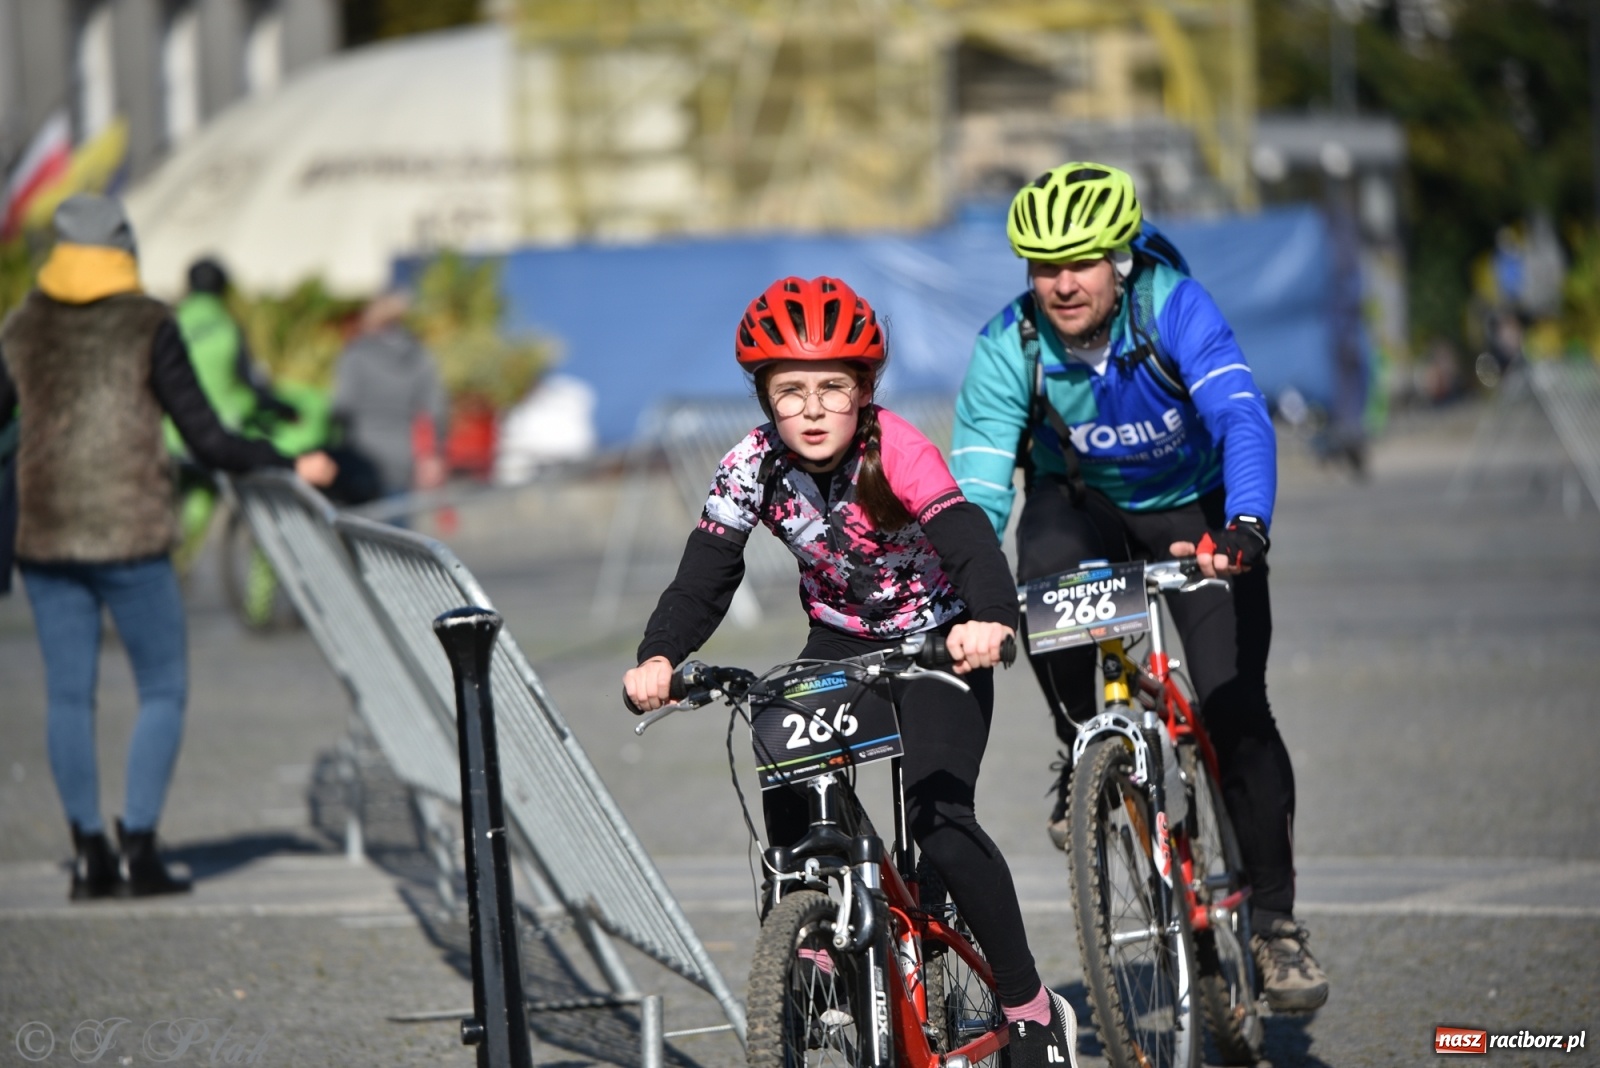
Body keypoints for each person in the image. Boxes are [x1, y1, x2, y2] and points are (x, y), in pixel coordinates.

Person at [624, 276, 1079, 1068]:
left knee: (940, 823)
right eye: (789, 389)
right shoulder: (750, 465)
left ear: (865, 389)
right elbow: (705, 574)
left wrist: (990, 622)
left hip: (937, 640)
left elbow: (968, 540)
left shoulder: (895, 447)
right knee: (782, 747)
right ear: (764, 395)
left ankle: (1027, 1002)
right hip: (839, 638)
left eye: (832, 387)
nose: (810, 406)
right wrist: (660, 656)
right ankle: (814, 937)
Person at [949, 162, 1329, 1013]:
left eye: (1080, 262)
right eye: (1044, 267)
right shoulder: (1010, 345)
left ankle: (1274, 926)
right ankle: (1083, 744)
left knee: (1236, 709)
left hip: (1197, 517)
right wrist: (976, 593)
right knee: (1035, 563)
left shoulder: (1172, 307)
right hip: (1079, 507)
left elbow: (1239, 414)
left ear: (1120, 260)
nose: (1061, 283)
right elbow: (975, 488)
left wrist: (1248, 528)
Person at [0, 194, 337, 899]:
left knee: (68, 695)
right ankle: (143, 849)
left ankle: (89, 855)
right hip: (131, 532)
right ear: (124, 249)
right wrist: (282, 460)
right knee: (161, 686)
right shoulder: (149, 322)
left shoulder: (22, 327)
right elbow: (207, 438)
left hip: (46, 530)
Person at [331, 290, 447, 500]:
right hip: (403, 457)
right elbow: (435, 409)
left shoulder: (355, 355)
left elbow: (342, 405)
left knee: (363, 526)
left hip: (362, 456)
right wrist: (432, 455)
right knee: (397, 526)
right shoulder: (419, 354)